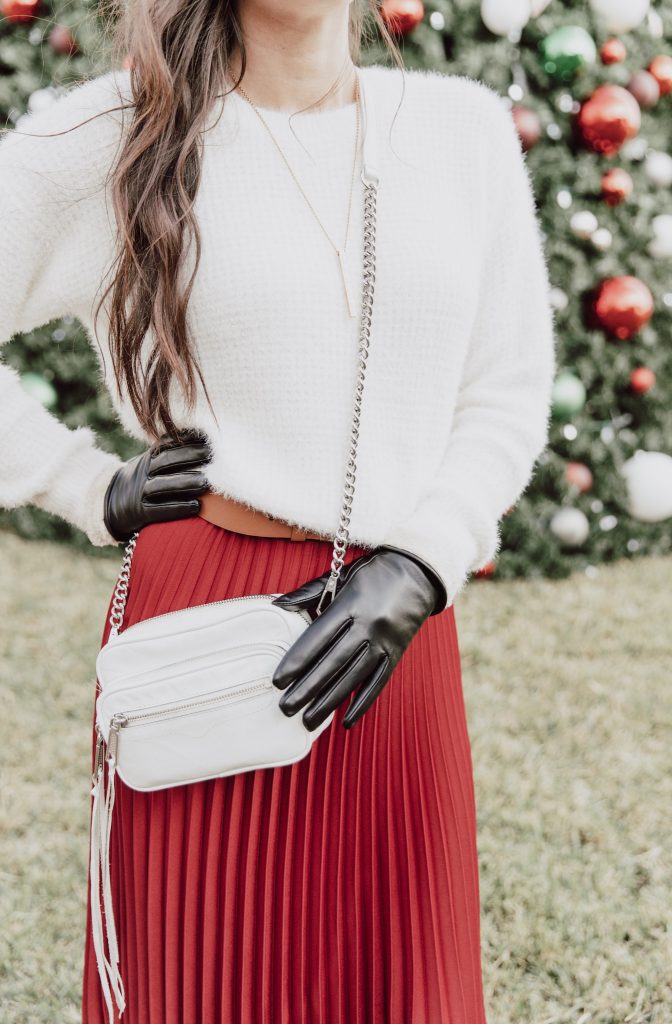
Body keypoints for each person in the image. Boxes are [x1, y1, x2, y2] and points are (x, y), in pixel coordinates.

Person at [0, 1, 556, 1021]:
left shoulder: (458, 128)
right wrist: (80, 482)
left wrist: (423, 562)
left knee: (392, 985)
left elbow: (507, 389)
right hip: (201, 622)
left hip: (395, 634)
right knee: (203, 979)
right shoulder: (121, 131)